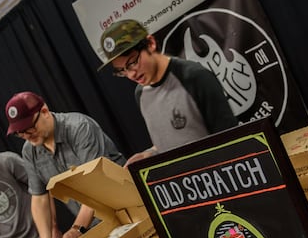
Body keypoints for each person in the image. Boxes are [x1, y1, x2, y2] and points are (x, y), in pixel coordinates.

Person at [98, 19, 238, 166]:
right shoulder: (140, 94)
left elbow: (232, 138)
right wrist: (149, 154)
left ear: (150, 43)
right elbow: (170, 141)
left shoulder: (194, 77)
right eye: (122, 71)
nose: (131, 74)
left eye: (132, 63)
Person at [4, 91, 126, 238]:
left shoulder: (79, 128)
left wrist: (77, 229)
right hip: (93, 226)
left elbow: (94, 184)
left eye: (30, 129)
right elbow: (39, 197)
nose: (27, 137)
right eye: (20, 133)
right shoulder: (29, 151)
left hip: (124, 210)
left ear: (45, 112)